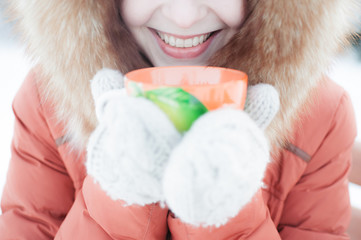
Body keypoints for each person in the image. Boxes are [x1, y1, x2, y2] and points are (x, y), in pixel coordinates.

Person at [0, 0, 359, 239]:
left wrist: (223, 208)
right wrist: (121, 195)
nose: (183, 17)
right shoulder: (49, 102)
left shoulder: (320, 116)